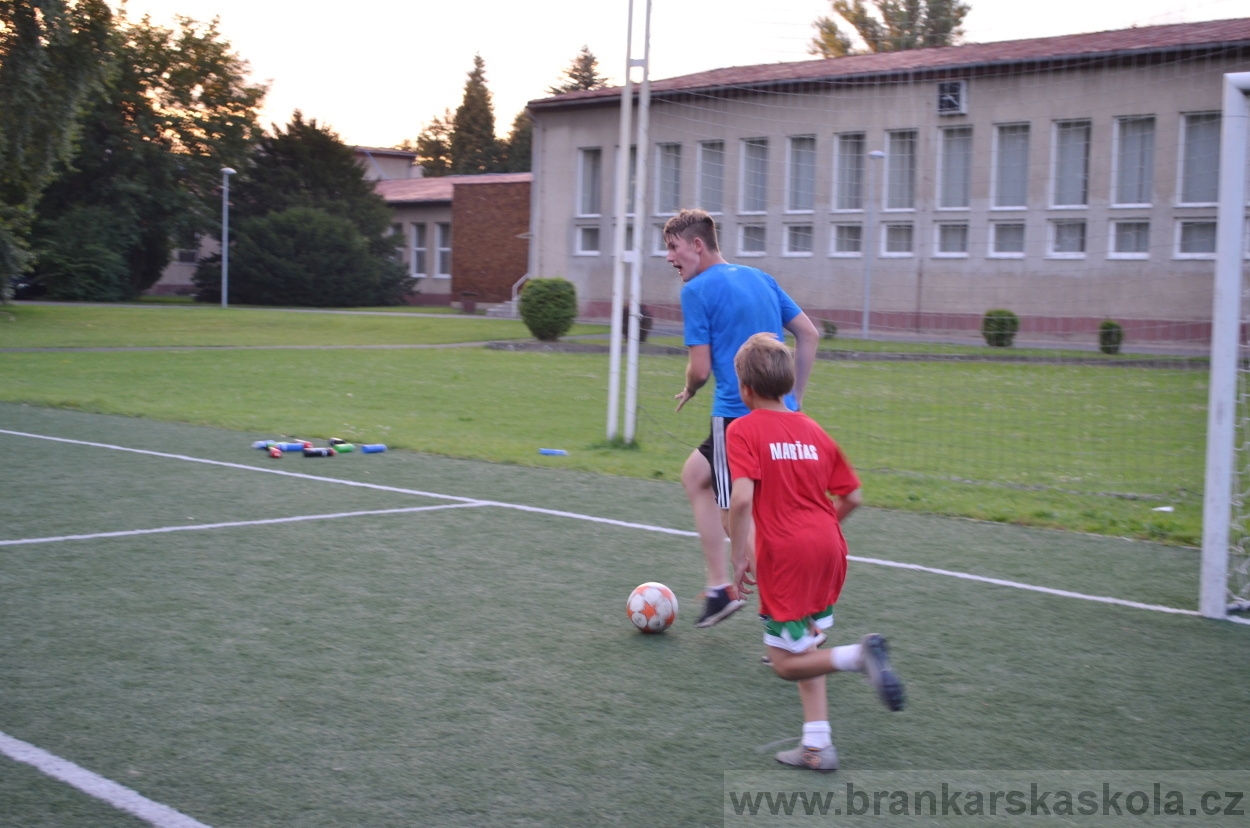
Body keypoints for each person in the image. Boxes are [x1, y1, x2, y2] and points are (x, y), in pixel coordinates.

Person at [727, 333, 904, 772]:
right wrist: (821, 529)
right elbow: (854, 496)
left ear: (745, 390)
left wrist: (739, 553)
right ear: (787, 384)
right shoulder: (813, 429)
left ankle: (858, 656)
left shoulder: (742, 429)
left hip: (786, 557)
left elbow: (742, 499)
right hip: (829, 548)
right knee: (806, 645)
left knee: (785, 663)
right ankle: (817, 746)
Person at [665, 208, 820, 628]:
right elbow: (809, 334)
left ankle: (793, 619)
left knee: (733, 514)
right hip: (780, 417)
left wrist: (690, 387)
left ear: (698, 245)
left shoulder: (696, 290)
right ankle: (720, 589)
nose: (669, 257)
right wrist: (795, 398)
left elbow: (699, 369)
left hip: (736, 419)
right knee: (696, 476)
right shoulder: (761, 278)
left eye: (674, 247)